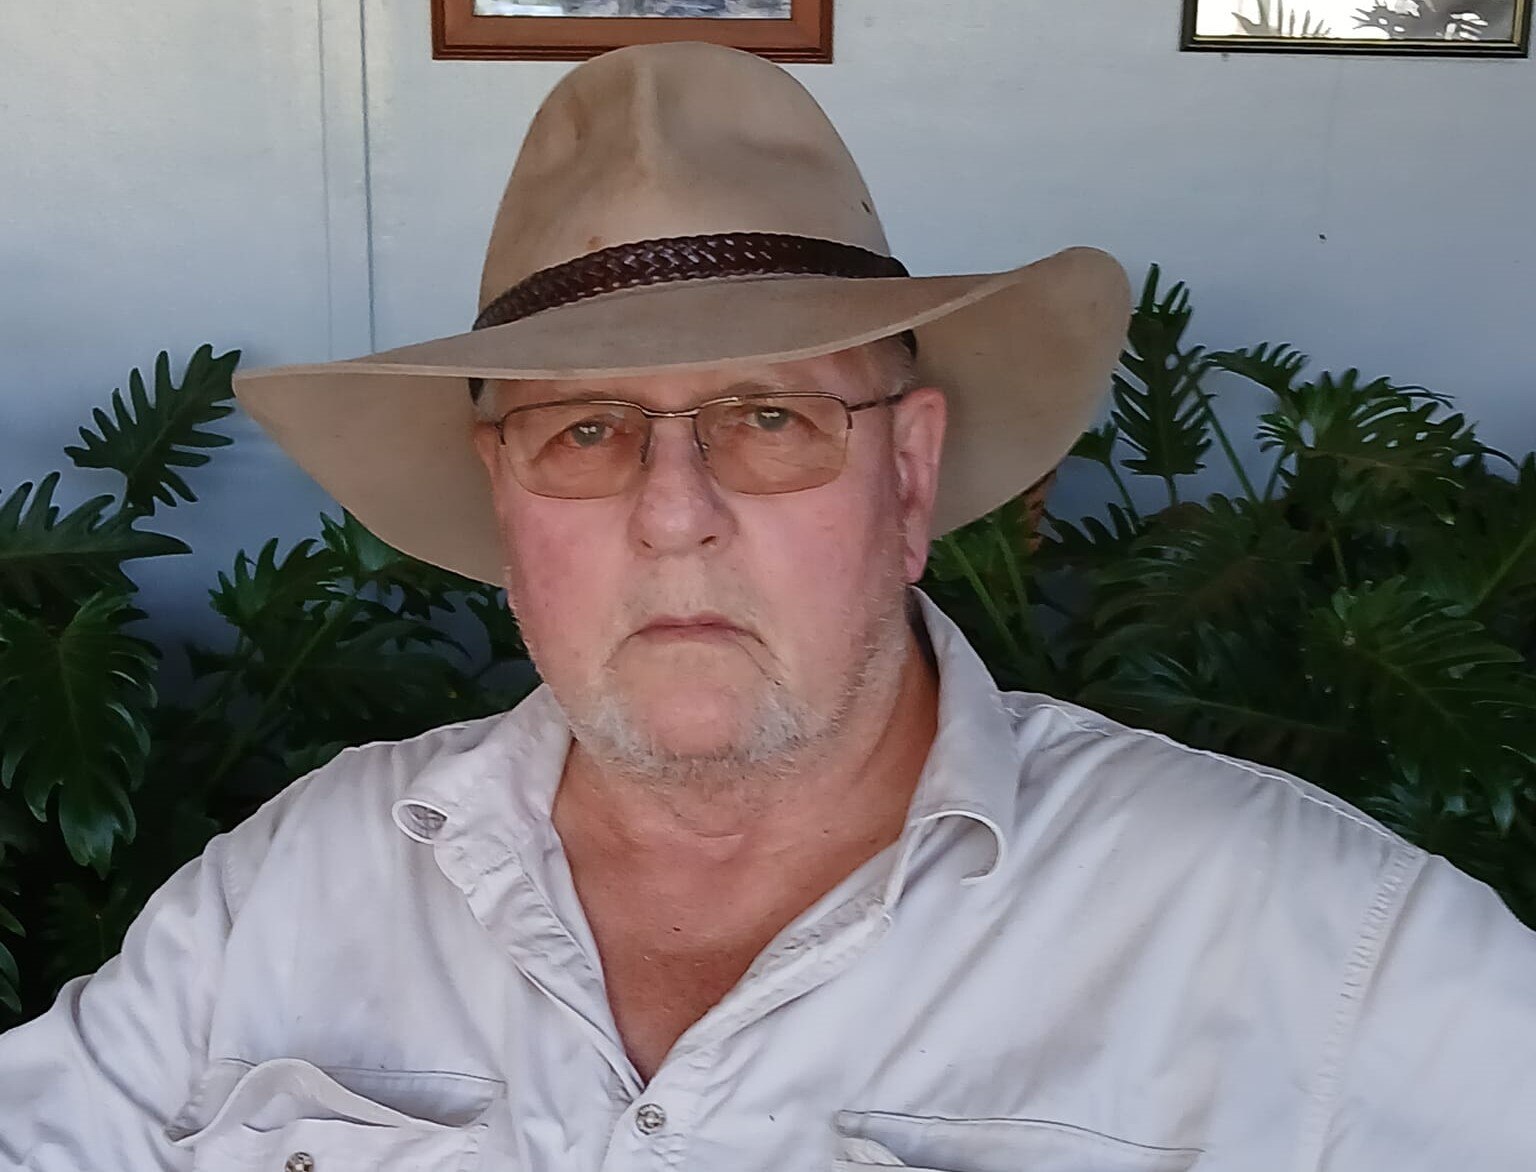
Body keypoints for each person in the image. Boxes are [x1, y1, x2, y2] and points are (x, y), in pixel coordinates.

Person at [2, 40, 1533, 1172]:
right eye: (586, 431)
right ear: (501, 495)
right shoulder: (293, 892)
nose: (677, 516)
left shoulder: (1315, 943)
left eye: (773, 419)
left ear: (912, 480)